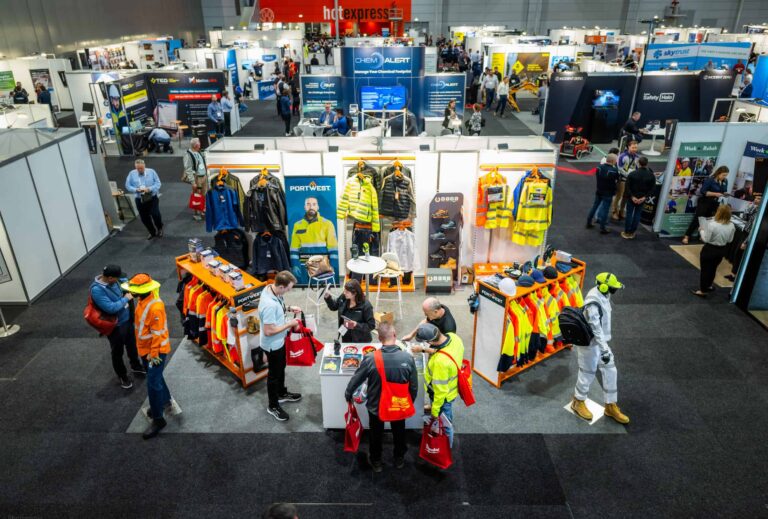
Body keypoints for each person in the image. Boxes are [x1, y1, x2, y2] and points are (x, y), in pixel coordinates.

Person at [345, 322, 417, 471]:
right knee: (399, 432)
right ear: (395, 335)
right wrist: (409, 401)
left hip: (376, 405)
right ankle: (399, 459)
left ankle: (376, 462)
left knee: (376, 434)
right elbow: (414, 386)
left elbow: (357, 378)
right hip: (399, 404)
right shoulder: (407, 358)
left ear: (379, 339)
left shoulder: (371, 358)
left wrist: (348, 393)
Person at [121, 273, 181, 439]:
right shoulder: (142, 301)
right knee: (156, 378)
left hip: (155, 352)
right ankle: (166, 400)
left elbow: (158, 334)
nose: (130, 292)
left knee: (152, 384)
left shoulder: (154, 306)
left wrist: (153, 356)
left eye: (133, 290)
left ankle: (158, 418)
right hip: (146, 350)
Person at [571, 273, 629, 425]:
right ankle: (578, 401)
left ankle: (610, 405)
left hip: (601, 343)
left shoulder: (604, 294)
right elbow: (596, 329)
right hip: (590, 344)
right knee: (587, 372)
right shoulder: (592, 303)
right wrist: (604, 350)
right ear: (603, 286)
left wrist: (603, 348)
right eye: (612, 288)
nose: (613, 291)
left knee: (611, 370)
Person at [90, 264, 144, 389]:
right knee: (117, 351)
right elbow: (111, 308)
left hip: (127, 320)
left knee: (131, 345)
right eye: (116, 278)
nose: (119, 280)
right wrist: (125, 299)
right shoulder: (97, 290)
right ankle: (122, 375)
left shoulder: (117, 280)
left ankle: (135, 366)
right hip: (115, 326)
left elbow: (126, 283)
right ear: (109, 278)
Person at [259, 271, 303, 422]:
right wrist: (289, 324)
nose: (290, 291)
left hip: (280, 341)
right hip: (273, 345)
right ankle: (273, 405)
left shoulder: (272, 290)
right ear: (281, 286)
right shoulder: (269, 305)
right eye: (288, 288)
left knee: (281, 368)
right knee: (274, 375)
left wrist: (289, 308)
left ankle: (281, 393)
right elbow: (268, 330)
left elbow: (280, 306)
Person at [416, 323, 463, 446]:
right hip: (452, 388)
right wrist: (424, 349)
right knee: (447, 417)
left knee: (445, 424)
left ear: (430, 341)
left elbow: (440, 392)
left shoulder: (440, 362)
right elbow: (441, 349)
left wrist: (435, 412)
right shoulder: (453, 337)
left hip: (444, 397)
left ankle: (446, 448)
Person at [289, 197, 338, 283]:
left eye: (314, 204)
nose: (311, 206)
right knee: (305, 288)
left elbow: (333, 248)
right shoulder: (297, 225)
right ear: (304, 207)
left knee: (323, 289)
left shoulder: (327, 224)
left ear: (318, 207)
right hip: (304, 265)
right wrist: (295, 265)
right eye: (308, 204)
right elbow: (294, 249)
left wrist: (333, 265)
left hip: (322, 265)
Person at [692, 204, 736, 297]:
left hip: (709, 249)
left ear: (718, 212)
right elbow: (730, 240)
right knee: (713, 269)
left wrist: (701, 230)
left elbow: (706, 239)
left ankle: (703, 290)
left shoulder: (712, 224)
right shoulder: (731, 225)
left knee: (705, 270)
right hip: (721, 250)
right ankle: (708, 286)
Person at [682, 166, 729, 244]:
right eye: (723, 175)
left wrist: (725, 194)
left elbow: (723, 191)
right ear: (718, 173)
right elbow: (703, 191)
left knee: (708, 220)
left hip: (715, 202)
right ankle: (687, 236)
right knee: (698, 219)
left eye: (726, 175)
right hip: (705, 201)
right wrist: (715, 194)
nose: (725, 177)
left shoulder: (725, 181)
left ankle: (702, 236)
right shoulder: (710, 180)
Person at [727, 192, 762, 281]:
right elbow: (745, 218)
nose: (756, 200)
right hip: (745, 232)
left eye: (758, 199)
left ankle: (737, 276)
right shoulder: (754, 207)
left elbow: (754, 229)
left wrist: (746, 241)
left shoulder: (761, 212)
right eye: (756, 198)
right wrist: (750, 207)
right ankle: (733, 274)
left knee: (742, 256)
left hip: (749, 236)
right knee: (737, 254)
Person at [125, 159, 163, 239]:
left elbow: (158, 183)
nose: (140, 170)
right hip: (139, 199)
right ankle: (152, 232)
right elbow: (128, 186)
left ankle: (159, 228)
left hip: (152, 198)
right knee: (144, 217)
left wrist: (149, 189)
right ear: (135, 167)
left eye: (141, 168)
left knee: (155, 214)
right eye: (138, 168)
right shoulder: (132, 174)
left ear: (144, 166)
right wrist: (135, 189)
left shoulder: (151, 172)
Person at [622, 156, 656, 239]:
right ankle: (632, 232)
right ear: (647, 164)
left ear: (638, 163)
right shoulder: (651, 175)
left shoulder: (632, 174)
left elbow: (627, 187)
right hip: (642, 198)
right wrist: (644, 198)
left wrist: (632, 196)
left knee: (629, 214)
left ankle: (626, 232)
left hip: (632, 198)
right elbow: (652, 189)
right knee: (637, 215)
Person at [586, 153, 620, 234]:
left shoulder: (599, 167)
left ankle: (588, 222)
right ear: (613, 161)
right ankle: (602, 227)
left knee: (595, 206)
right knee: (605, 210)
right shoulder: (614, 171)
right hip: (608, 193)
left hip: (599, 190)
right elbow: (617, 180)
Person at [613, 140, 639, 221]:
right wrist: (629, 175)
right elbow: (620, 169)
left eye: (636, 147)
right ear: (628, 147)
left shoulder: (637, 157)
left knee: (626, 197)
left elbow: (637, 168)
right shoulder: (622, 156)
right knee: (619, 196)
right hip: (622, 179)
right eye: (633, 147)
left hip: (631, 180)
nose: (635, 149)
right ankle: (614, 212)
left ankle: (621, 211)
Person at [183, 138, 208, 221]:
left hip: (203, 176)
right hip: (197, 178)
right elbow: (188, 169)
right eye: (199, 143)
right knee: (197, 196)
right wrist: (193, 182)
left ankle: (203, 210)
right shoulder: (188, 155)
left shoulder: (198, 152)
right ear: (196, 145)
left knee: (204, 194)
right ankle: (197, 213)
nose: (200, 145)